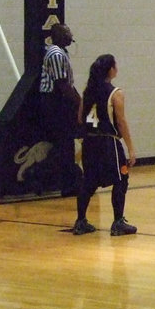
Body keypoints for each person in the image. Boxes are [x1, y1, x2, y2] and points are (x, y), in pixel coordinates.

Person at [72, 54, 137, 236]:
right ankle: (118, 222)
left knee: (88, 182)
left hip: (90, 142)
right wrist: (130, 148)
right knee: (121, 178)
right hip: (108, 142)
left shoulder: (87, 92)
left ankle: (81, 221)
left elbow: (79, 118)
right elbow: (122, 122)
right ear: (111, 69)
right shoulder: (116, 93)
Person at [38, 22, 82, 196]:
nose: (70, 34)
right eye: (66, 32)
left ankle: (67, 181)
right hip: (54, 102)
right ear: (57, 36)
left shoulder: (62, 52)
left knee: (65, 143)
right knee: (63, 143)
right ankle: (64, 183)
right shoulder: (55, 53)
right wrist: (80, 103)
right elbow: (61, 84)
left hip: (59, 100)